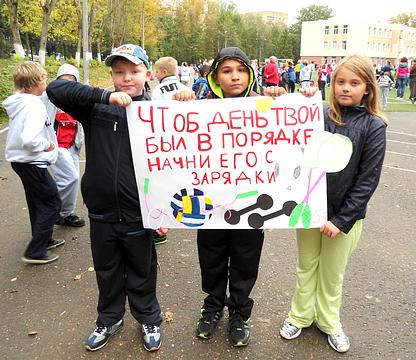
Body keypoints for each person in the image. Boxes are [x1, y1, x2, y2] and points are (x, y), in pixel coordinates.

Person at [46, 44, 168, 353]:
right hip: (101, 211)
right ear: (111, 75)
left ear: (148, 74)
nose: (127, 78)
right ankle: (109, 319)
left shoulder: (159, 112)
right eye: (119, 72)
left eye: (134, 71)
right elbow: (56, 88)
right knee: (107, 270)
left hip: (140, 212)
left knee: (142, 270)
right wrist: (104, 96)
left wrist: (165, 210)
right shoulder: (97, 107)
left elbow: (177, 162)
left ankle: (148, 318)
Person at [279, 54, 387, 353]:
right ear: (332, 84)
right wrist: (303, 100)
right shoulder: (320, 115)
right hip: (309, 211)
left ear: (367, 88)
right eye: (340, 81)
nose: (345, 88)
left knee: (331, 272)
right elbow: (290, 132)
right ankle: (299, 315)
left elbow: (367, 180)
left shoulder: (374, 126)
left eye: (354, 83)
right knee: (306, 266)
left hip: (344, 218)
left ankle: (329, 321)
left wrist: (341, 221)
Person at [195, 47, 287, 347]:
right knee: (212, 258)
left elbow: (291, 132)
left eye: (240, 70)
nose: (234, 76)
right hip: (211, 204)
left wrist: (296, 97)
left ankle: (238, 312)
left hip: (251, 205)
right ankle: (212, 307)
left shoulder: (265, 106)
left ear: (249, 74)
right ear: (215, 78)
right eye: (226, 70)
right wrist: (178, 101)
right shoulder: (199, 109)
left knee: (246, 259)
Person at [3, 61, 64, 265]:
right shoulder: (33, 106)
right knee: (52, 202)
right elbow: (29, 138)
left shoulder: (19, 102)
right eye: (44, 79)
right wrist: (46, 145)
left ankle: (43, 239)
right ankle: (35, 250)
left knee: (37, 201)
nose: (45, 83)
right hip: (31, 161)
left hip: (21, 161)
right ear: (36, 82)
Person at [47, 64, 86, 227]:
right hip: (57, 147)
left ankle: (66, 214)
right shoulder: (48, 98)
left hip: (73, 146)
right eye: (63, 81)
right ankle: (53, 211)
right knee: (71, 178)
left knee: (72, 182)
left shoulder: (77, 99)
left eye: (71, 81)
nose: (66, 85)